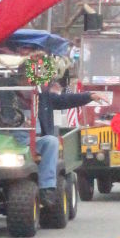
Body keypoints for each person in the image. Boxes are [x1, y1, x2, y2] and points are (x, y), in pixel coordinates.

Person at [34, 75, 94, 204]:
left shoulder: (44, 97)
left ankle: (46, 188)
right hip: (13, 142)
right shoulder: (6, 96)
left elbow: (66, 99)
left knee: (51, 141)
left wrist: (89, 96)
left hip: (37, 141)